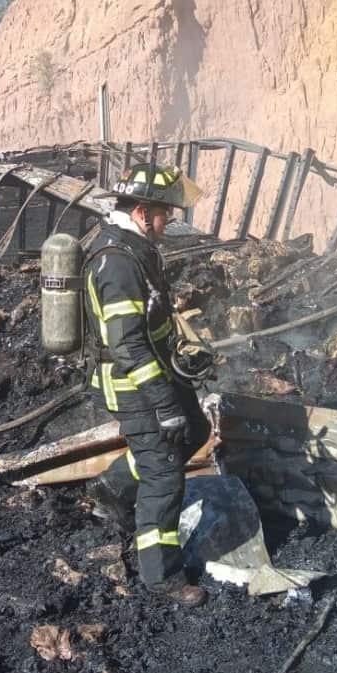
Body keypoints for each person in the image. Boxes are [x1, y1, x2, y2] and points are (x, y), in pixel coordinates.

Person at [82, 163, 212, 608]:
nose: (169, 222)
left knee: (195, 431)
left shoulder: (136, 248)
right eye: (164, 214)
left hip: (158, 375)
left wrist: (184, 355)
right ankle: (162, 578)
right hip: (133, 385)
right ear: (141, 212)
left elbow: (153, 323)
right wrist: (163, 402)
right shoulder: (116, 263)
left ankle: (113, 488)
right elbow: (128, 345)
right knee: (164, 476)